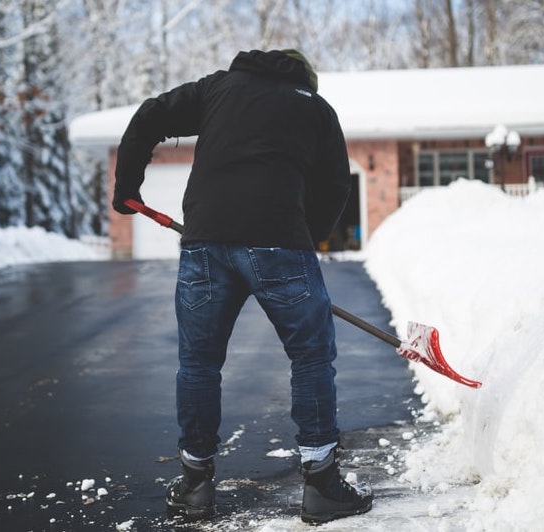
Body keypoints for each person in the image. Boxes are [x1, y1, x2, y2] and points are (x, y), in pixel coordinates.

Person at [112, 49, 372, 524]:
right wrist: (300, 237)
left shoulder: (217, 89)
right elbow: (336, 185)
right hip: (279, 242)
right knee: (311, 357)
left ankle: (194, 484)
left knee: (199, 364)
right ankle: (321, 485)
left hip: (205, 241)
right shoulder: (315, 108)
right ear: (306, 79)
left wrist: (126, 185)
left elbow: (150, 114)